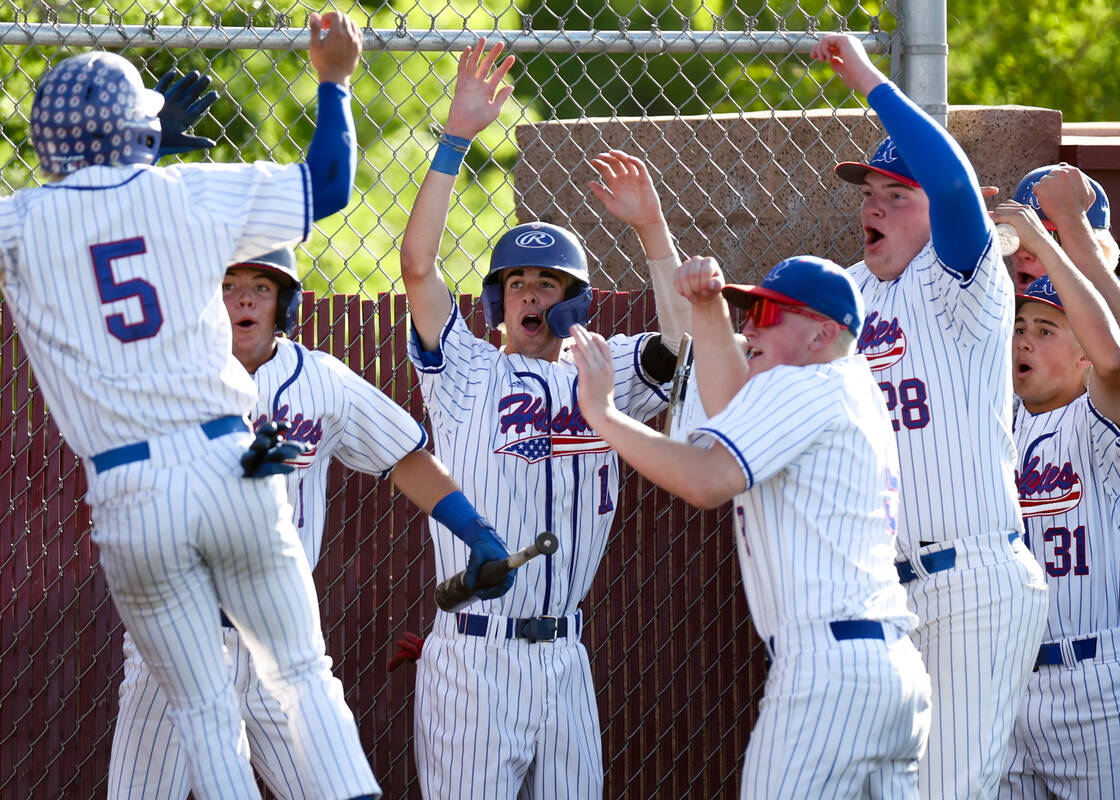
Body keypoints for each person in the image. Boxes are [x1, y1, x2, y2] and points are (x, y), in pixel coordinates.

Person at [0, 13, 383, 799]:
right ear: (144, 129)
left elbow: (73, 210)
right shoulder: (193, 191)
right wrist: (335, 80)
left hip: (129, 489)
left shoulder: (20, 221)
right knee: (302, 672)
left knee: (203, 708)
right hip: (228, 460)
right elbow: (331, 185)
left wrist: (104, 173)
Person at [106, 246, 512, 798]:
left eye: (261, 287)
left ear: (285, 305)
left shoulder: (318, 380)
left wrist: (475, 531)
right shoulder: (163, 380)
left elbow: (404, 455)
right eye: (228, 284)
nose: (244, 297)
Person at [398, 39, 689, 799]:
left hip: (565, 658)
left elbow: (678, 345)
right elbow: (420, 268)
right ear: (497, 301)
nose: (530, 295)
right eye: (517, 283)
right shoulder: (467, 371)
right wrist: (456, 139)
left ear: (576, 300)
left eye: (547, 283)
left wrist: (653, 229)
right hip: (477, 657)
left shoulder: (601, 368)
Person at [569, 254, 931, 798]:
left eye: (769, 313)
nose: (750, 326)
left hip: (827, 674)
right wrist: (708, 308)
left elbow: (708, 479)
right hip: (885, 670)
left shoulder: (808, 385)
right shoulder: (847, 385)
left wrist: (603, 415)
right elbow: (733, 407)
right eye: (748, 311)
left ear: (822, 334)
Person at [812, 33, 1049, 799]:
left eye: (895, 195)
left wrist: (874, 82)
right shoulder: (851, 290)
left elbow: (952, 186)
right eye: (868, 194)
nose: (873, 206)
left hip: (970, 580)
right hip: (883, 594)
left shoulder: (962, 281)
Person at [994, 199, 1120, 798]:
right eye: (1021, 327)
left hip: (1097, 687)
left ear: (1084, 353)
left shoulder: (1105, 419)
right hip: (1007, 685)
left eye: (1046, 331)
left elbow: (1119, 360)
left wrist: (1045, 239)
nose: (1026, 341)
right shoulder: (996, 424)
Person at [1009, 165, 1120, 671]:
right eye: (1021, 239)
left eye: (1045, 237)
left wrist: (1070, 223)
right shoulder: (1013, 324)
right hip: (1052, 564)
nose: (1028, 252)